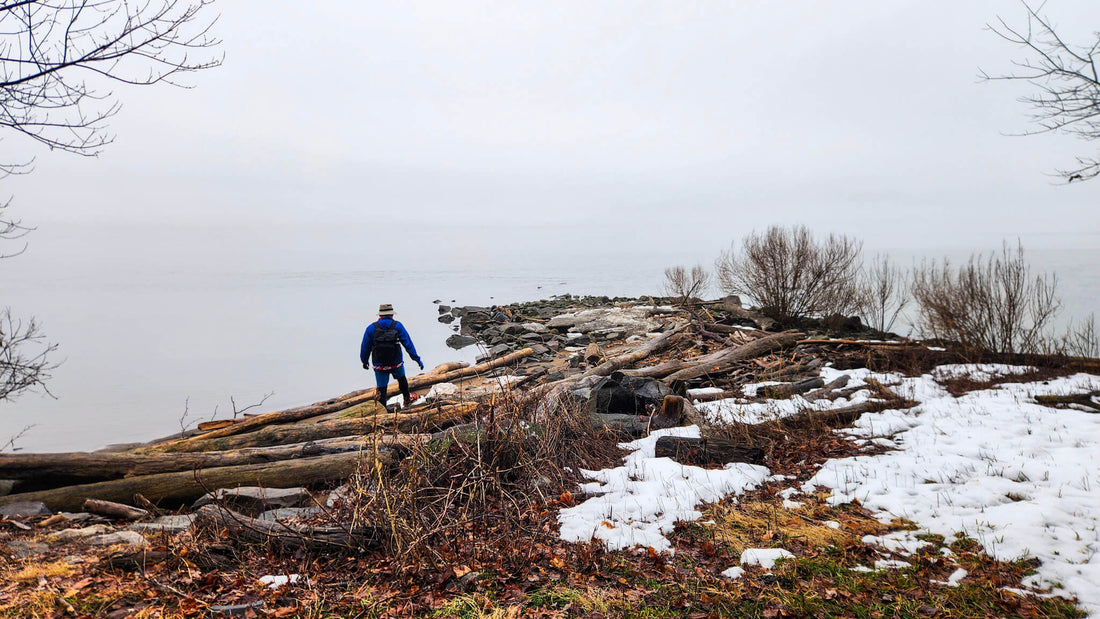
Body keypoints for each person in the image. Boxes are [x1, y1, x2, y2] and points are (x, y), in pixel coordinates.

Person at [360, 303, 424, 410]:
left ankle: (382, 409)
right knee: (402, 380)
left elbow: (365, 348)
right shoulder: (397, 326)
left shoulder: (371, 328)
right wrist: (417, 359)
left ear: (380, 315)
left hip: (379, 365)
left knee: (382, 388)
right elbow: (408, 344)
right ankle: (407, 399)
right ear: (392, 315)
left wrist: (364, 361)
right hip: (396, 363)